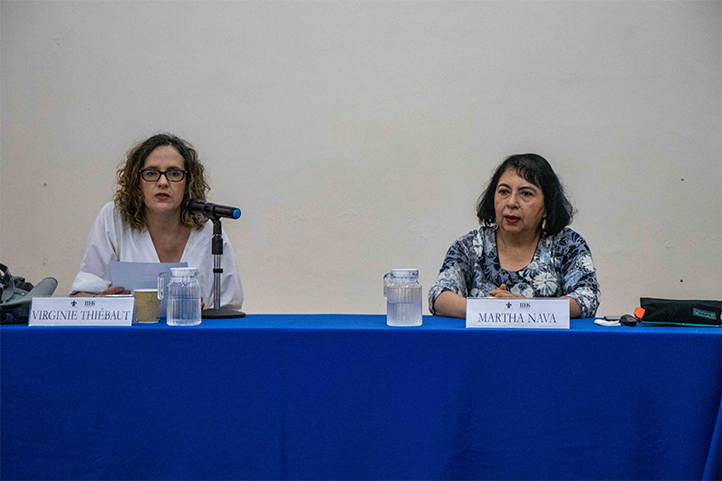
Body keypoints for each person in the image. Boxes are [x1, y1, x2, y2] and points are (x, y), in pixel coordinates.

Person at [70, 133, 244, 310]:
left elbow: (230, 309)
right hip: (129, 336)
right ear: (137, 182)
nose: (162, 182)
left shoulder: (208, 229)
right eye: (151, 173)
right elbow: (81, 295)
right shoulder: (114, 218)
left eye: (174, 173)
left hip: (191, 335)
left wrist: (203, 313)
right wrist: (100, 300)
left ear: (188, 182)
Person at [429, 153, 599, 319]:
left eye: (526, 193)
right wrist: (488, 310)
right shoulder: (470, 245)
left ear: (547, 206)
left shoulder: (567, 244)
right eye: (504, 192)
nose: (511, 203)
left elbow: (587, 297)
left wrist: (524, 308)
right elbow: (439, 295)